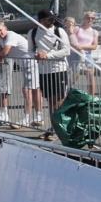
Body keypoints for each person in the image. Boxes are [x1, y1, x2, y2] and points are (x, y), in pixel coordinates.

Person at [30, 9, 71, 138]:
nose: (52, 21)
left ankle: (58, 127)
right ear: (41, 20)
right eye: (49, 19)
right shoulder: (33, 33)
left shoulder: (60, 31)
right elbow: (30, 51)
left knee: (58, 100)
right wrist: (36, 55)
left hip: (59, 69)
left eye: (53, 18)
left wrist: (47, 55)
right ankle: (55, 127)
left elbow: (67, 50)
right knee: (51, 101)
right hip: (43, 71)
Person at [71, 12, 99, 95]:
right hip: (75, 54)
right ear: (84, 18)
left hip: (87, 55)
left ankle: (92, 98)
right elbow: (71, 42)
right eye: (88, 17)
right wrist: (78, 47)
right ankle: (67, 95)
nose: (90, 19)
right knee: (73, 77)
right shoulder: (77, 29)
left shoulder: (94, 32)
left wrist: (81, 46)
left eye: (92, 18)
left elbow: (94, 46)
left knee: (91, 77)